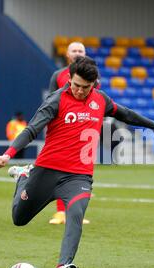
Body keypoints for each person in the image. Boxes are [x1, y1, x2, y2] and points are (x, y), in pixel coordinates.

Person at [0, 56, 154, 268]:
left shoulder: (100, 99)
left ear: (94, 84)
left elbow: (124, 113)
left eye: (85, 87)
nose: (80, 91)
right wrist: (9, 153)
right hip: (46, 171)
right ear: (69, 79)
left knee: (75, 214)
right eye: (76, 85)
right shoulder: (55, 101)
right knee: (19, 219)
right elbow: (32, 129)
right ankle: (24, 177)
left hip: (78, 176)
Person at [48, 41, 92, 225]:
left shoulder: (92, 76)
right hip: (62, 130)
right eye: (74, 50)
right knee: (60, 169)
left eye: (80, 50)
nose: (77, 53)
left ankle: (75, 212)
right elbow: (50, 101)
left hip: (84, 133)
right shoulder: (58, 75)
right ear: (67, 54)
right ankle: (60, 212)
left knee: (81, 173)